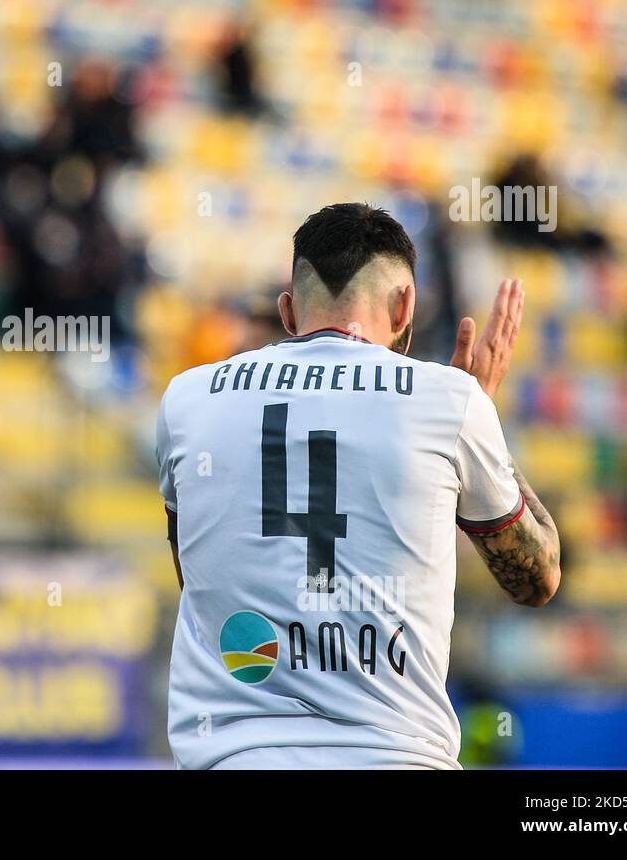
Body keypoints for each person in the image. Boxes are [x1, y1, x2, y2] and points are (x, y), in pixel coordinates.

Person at [156, 203, 561, 769]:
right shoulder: (448, 401)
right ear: (405, 306)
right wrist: (480, 428)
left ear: (289, 311)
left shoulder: (187, 399)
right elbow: (536, 579)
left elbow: (196, 578)